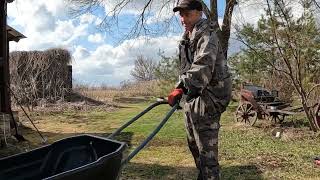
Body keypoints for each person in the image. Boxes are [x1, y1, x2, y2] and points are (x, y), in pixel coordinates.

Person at [167, 0, 232, 179]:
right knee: (194, 147)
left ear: (199, 13)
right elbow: (186, 69)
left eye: (187, 14)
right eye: (181, 15)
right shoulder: (188, 37)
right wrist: (181, 91)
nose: (183, 19)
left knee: (207, 156)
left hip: (210, 100)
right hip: (194, 97)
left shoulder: (207, 35)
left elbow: (203, 65)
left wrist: (182, 87)